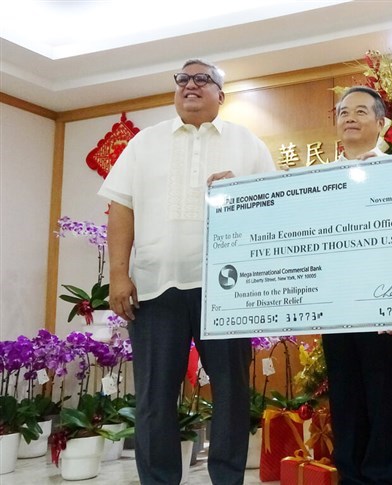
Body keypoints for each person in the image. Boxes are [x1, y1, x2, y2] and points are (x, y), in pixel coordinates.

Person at [99, 59, 275, 485]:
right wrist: (119, 275)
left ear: (221, 94)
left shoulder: (247, 142)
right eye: (183, 79)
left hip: (227, 289)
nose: (190, 85)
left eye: (203, 79)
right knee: (155, 397)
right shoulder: (145, 142)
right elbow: (121, 208)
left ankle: (228, 477)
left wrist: (242, 193)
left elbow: (272, 206)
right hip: (157, 289)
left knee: (232, 393)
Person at [321, 86, 392, 485]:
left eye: (360, 111)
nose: (349, 117)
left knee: (384, 399)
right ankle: (351, 477)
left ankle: (383, 478)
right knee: (345, 399)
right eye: (343, 112)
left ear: (381, 123)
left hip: (385, 308)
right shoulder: (318, 181)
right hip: (336, 307)